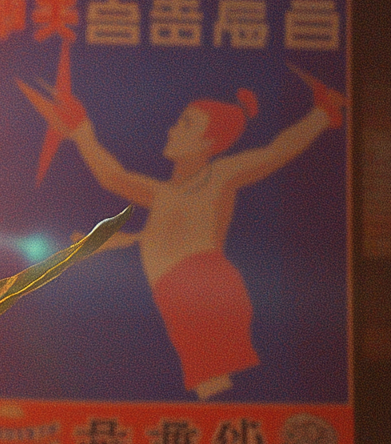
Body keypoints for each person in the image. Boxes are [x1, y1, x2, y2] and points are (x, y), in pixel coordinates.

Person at [20, 45, 345, 399]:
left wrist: (322, 115)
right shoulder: (162, 194)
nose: (173, 129)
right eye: (179, 121)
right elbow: (113, 177)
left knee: (217, 388)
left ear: (208, 142)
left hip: (202, 286)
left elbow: (275, 152)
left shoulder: (219, 175)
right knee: (212, 388)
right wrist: (82, 130)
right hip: (176, 292)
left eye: (187, 124)